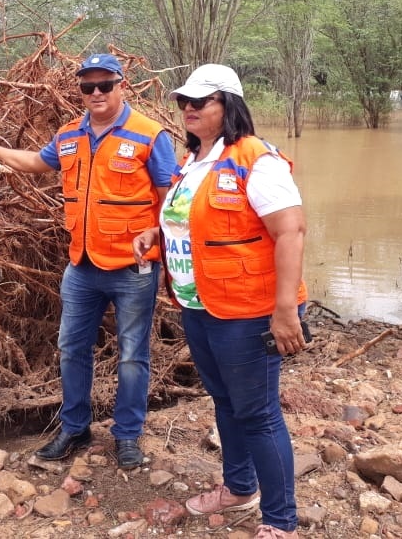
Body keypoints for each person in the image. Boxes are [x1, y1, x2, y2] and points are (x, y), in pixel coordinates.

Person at [0, 53, 176, 469]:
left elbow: (173, 197)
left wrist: (159, 236)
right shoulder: (68, 136)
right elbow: (32, 163)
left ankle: (127, 436)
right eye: (87, 86)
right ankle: (74, 429)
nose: (96, 93)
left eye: (105, 85)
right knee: (71, 348)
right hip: (81, 266)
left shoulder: (150, 134)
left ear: (122, 86)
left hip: (134, 270)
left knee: (133, 355)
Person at [132, 63, 307, 539]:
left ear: (228, 105)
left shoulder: (256, 159)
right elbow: (192, 224)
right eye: (183, 101)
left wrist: (285, 310)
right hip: (200, 304)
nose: (188, 109)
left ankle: (280, 522)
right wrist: (157, 232)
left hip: (249, 311)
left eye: (200, 101)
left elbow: (290, 232)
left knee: (258, 412)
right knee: (226, 403)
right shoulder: (194, 161)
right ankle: (238, 488)